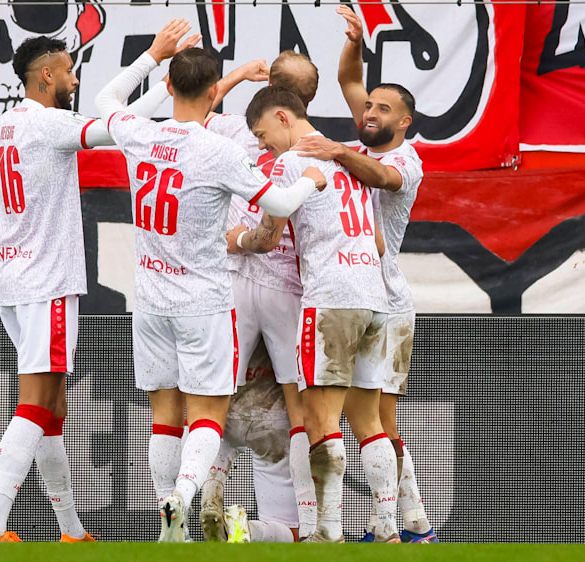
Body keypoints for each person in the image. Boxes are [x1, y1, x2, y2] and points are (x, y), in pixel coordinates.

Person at [0, 24, 192, 542]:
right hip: (49, 282)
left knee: (52, 407)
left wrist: (10, 225)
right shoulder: (49, 126)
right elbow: (115, 127)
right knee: (36, 404)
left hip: (14, 280)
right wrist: (152, 66)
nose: (74, 78)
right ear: (45, 76)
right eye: (67, 70)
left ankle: (71, 530)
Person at [94, 47, 326, 543]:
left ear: (172, 87)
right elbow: (281, 203)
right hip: (203, 301)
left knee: (164, 416)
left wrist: (151, 58)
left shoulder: (140, 133)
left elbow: (107, 98)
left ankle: (166, 523)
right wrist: (310, 178)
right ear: (214, 90)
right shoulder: (219, 150)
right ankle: (183, 494)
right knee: (207, 414)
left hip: (151, 300)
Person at [244, 85, 399, 543]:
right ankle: (386, 528)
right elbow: (379, 243)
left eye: (261, 132)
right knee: (369, 421)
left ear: (282, 117)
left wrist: (234, 239)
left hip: (331, 298)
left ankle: (327, 531)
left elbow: (269, 237)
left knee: (319, 418)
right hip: (374, 295)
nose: (261, 144)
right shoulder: (349, 159)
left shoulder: (290, 166)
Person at [192, 50, 321, 543]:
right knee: (302, 411)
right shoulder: (327, 151)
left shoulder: (233, 134)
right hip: (290, 290)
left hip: (232, 280)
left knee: (211, 399)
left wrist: (235, 76)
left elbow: (194, 109)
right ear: (306, 99)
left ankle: (206, 486)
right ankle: (310, 525)